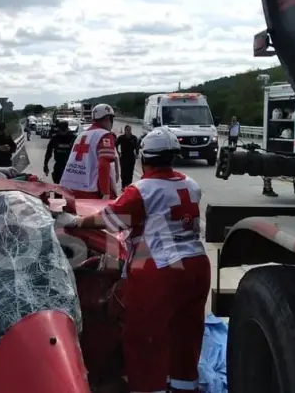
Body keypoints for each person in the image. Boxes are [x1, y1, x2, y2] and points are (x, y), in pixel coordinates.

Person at [57, 127, 210, 393]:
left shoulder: (141, 190)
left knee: (144, 337)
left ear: (144, 158)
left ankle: (148, 388)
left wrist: (77, 221)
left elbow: (111, 220)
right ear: (173, 157)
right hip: (198, 263)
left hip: (160, 267)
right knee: (187, 331)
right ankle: (184, 386)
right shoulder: (191, 184)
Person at [59, 103, 118, 199]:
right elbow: (103, 165)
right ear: (108, 118)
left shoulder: (82, 135)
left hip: (70, 190)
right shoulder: (105, 135)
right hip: (91, 192)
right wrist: (106, 193)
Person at [116, 125, 139, 189]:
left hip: (131, 157)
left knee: (130, 173)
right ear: (125, 131)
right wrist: (118, 153)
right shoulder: (121, 138)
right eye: (127, 130)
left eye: (129, 130)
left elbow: (137, 146)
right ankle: (123, 186)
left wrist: (137, 154)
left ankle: (129, 187)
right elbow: (116, 144)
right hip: (123, 157)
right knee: (124, 173)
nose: (128, 132)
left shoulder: (134, 138)